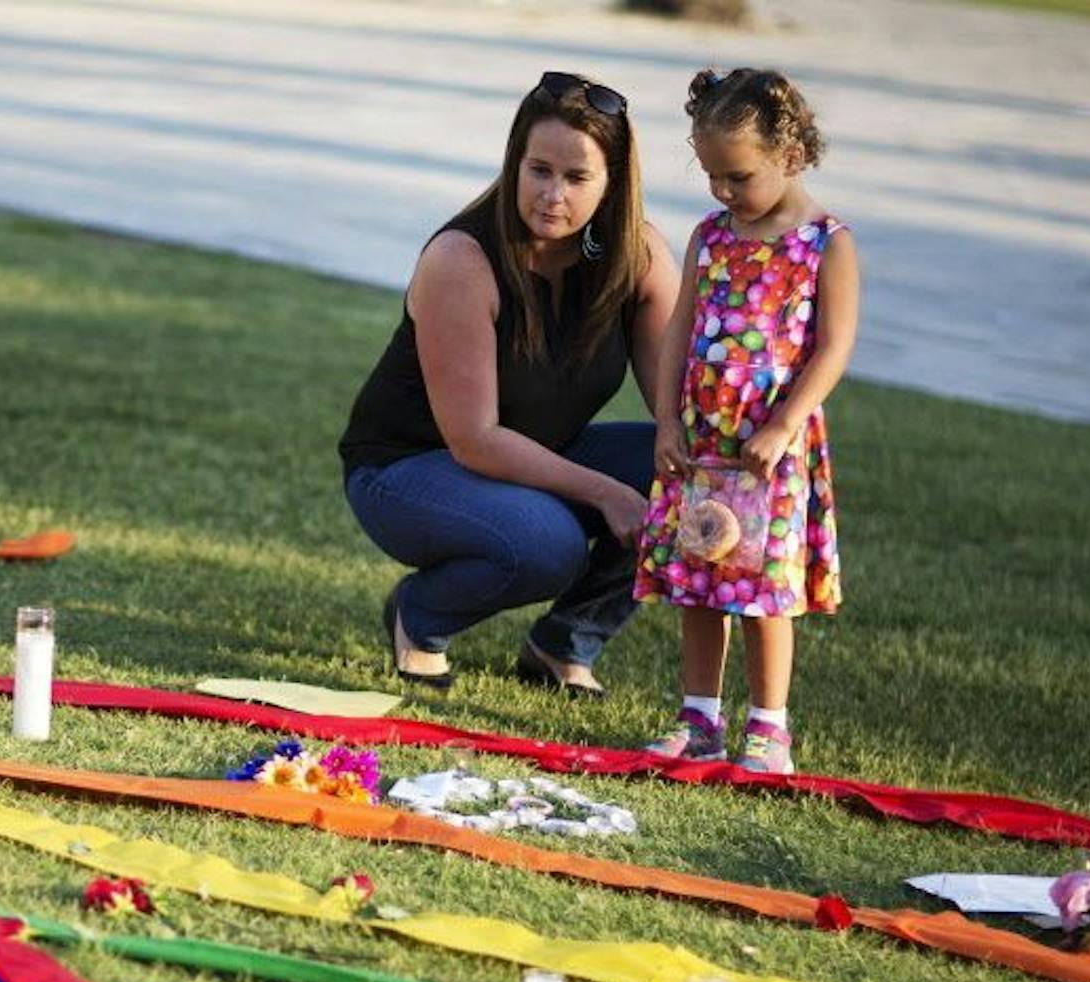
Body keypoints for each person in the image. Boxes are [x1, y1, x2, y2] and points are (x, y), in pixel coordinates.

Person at [340, 71, 681, 695]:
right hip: (408, 469)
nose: (553, 195)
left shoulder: (641, 260)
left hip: (538, 458)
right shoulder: (461, 261)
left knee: (681, 473)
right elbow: (475, 441)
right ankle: (420, 616)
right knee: (548, 546)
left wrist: (745, 452)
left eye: (577, 178)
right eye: (539, 170)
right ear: (514, 163)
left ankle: (564, 644)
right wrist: (607, 494)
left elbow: (674, 410)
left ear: (613, 186)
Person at [632, 67, 860, 773]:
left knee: (763, 593)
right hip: (704, 446)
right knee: (701, 581)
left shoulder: (825, 243)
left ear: (790, 158)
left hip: (770, 455)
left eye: (738, 176)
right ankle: (699, 719)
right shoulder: (711, 236)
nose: (724, 192)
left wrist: (784, 424)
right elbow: (679, 332)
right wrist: (667, 422)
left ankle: (769, 729)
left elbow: (833, 348)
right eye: (712, 177)